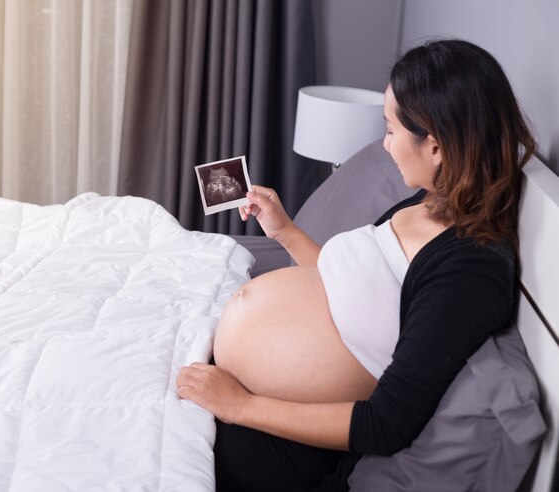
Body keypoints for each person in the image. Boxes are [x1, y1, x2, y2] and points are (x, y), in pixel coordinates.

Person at [176, 39, 536, 491]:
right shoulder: (432, 199)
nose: (385, 146)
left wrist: (237, 406)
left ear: (438, 146)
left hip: (280, 438)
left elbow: (387, 423)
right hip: (245, 396)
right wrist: (284, 229)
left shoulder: (470, 269)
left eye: (390, 130)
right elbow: (352, 287)